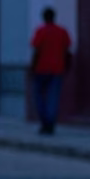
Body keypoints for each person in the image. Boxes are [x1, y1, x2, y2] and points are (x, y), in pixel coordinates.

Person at [30, 7, 73, 135]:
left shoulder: (41, 31)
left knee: (39, 97)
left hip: (41, 69)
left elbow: (36, 51)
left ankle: (44, 122)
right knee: (52, 97)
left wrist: (32, 68)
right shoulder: (62, 32)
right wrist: (67, 67)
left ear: (44, 18)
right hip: (57, 69)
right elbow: (67, 51)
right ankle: (50, 123)